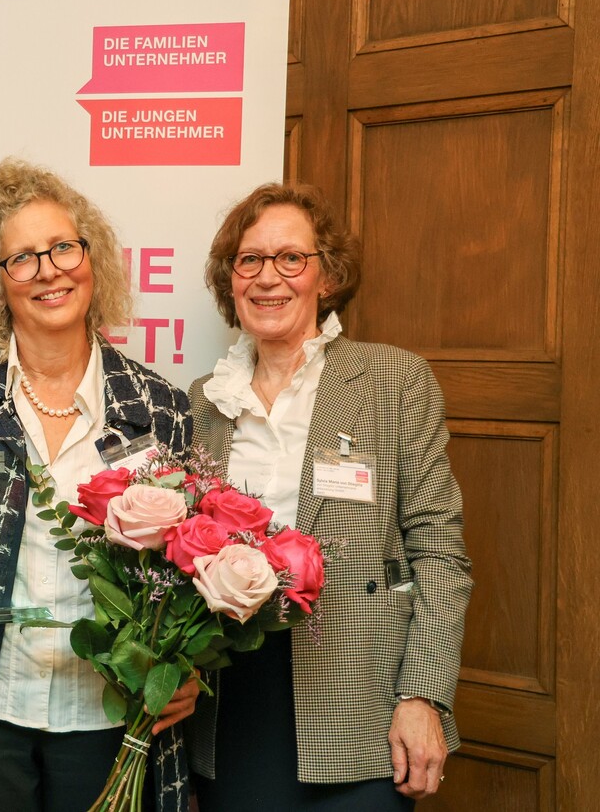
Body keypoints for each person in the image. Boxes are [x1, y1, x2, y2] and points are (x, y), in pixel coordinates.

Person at [0, 159, 198, 812]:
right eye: (23, 258)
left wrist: (182, 661)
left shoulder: (158, 404)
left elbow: (186, 564)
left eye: (62, 248)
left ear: (92, 257)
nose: (50, 270)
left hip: (111, 711)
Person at [185, 182, 472, 811]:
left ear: (328, 275)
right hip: (234, 695)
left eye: (291, 258)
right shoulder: (204, 400)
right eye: (250, 260)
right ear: (230, 279)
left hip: (361, 699)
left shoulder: (393, 379)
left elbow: (439, 556)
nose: (268, 278)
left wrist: (424, 696)